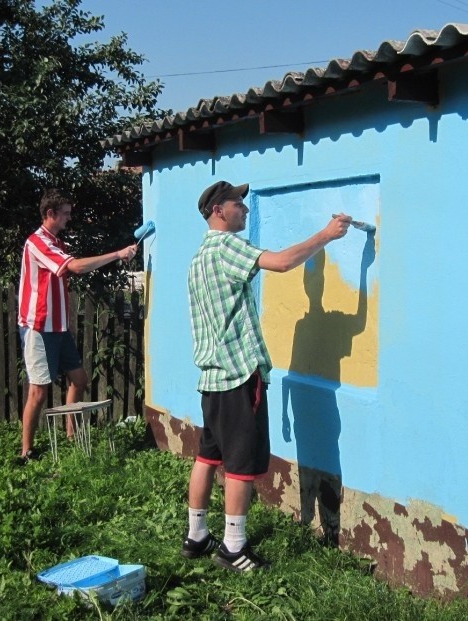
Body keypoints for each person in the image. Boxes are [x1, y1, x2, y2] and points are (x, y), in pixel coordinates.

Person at [182, 180, 352, 571]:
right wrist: (327, 235)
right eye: (238, 203)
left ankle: (196, 536)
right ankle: (233, 547)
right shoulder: (227, 247)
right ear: (218, 211)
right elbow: (281, 262)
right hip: (238, 374)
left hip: (211, 377)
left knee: (208, 456)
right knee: (240, 464)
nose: (245, 209)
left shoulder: (198, 259)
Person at [17, 188, 138, 463]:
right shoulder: (36, 242)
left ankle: (71, 436)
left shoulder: (58, 243)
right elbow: (77, 268)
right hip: (38, 327)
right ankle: (26, 452)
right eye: (66, 214)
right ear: (51, 214)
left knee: (80, 379)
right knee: (38, 390)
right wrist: (118, 254)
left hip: (58, 328)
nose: (69, 219)